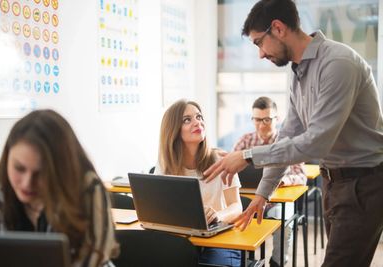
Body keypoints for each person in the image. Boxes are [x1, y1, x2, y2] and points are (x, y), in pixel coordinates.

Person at [204, 0, 383, 266]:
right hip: (333, 182)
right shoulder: (298, 72)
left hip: (363, 184)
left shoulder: (338, 63)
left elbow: (315, 143)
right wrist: (263, 194)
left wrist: (248, 155)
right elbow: (288, 136)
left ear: (277, 28)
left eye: (258, 43)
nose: (260, 55)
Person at [0, 109, 119, 267]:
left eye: (41, 173)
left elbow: (91, 260)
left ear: (61, 170)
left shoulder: (87, 191)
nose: (27, 183)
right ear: (6, 159)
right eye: (19, 168)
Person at [154, 99, 242, 267]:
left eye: (199, 117)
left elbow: (237, 206)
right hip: (182, 237)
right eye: (187, 120)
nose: (197, 122)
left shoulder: (221, 160)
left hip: (220, 238)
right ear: (173, 130)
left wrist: (218, 216)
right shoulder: (165, 165)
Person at [233, 96, 307, 267]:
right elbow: (233, 171)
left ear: (277, 118)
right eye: (257, 119)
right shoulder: (245, 140)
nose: (261, 124)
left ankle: (277, 261)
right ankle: (247, 261)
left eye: (267, 119)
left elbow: (301, 175)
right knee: (234, 217)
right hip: (248, 199)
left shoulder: (287, 142)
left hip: (276, 201)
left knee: (283, 222)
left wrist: (283, 180)